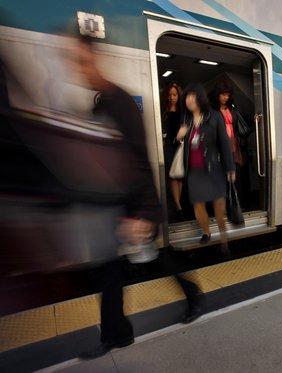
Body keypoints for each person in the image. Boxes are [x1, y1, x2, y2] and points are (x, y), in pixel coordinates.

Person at [69, 36, 204, 359]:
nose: (78, 69)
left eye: (82, 61)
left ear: (96, 58)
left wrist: (141, 212)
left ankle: (193, 293)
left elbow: (138, 159)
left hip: (135, 207)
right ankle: (117, 334)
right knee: (110, 271)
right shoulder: (100, 104)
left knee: (156, 260)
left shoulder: (120, 103)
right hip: (113, 207)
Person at [176, 83, 235, 254]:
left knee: (219, 207)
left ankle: (224, 239)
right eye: (186, 97)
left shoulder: (214, 117)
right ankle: (206, 232)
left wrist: (230, 168)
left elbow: (224, 143)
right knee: (198, 205)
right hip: (194, 171)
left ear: (200, 98)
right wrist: (179, 137)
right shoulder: (186, 119)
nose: (189, 100)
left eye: (192, 96)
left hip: (213, 169)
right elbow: (180, 143)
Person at [162, 82, 185, 219]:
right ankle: (178, 205)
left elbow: (187, 126)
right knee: (172, 176)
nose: (172, 97)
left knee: (179, 176)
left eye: (174, 94)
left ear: (178, 95)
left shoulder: (182, 111)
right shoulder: (164, 110)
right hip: (169, 147)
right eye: (170, 95)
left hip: (180, 146)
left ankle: (178, 204)